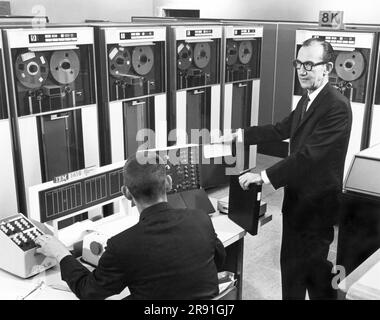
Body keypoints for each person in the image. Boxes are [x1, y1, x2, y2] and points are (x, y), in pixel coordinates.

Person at [221, 38, 352, 299]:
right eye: (298, 63)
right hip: (296, 203)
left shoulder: (336, 106)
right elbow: (281, 128)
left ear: (326, 68)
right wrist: (239, 135)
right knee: (291, 270)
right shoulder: (308, 99)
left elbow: (308, 156)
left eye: (309, 64)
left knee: (314, 276)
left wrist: (264, 176)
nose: (302, 70)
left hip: (317, 208)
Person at [35, 152, 226, 300]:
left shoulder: (123, 245)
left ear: (125, 193)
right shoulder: (200, 219)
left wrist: (61, 253)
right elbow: (219, 259)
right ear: (168, 183)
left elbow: (89, 291)